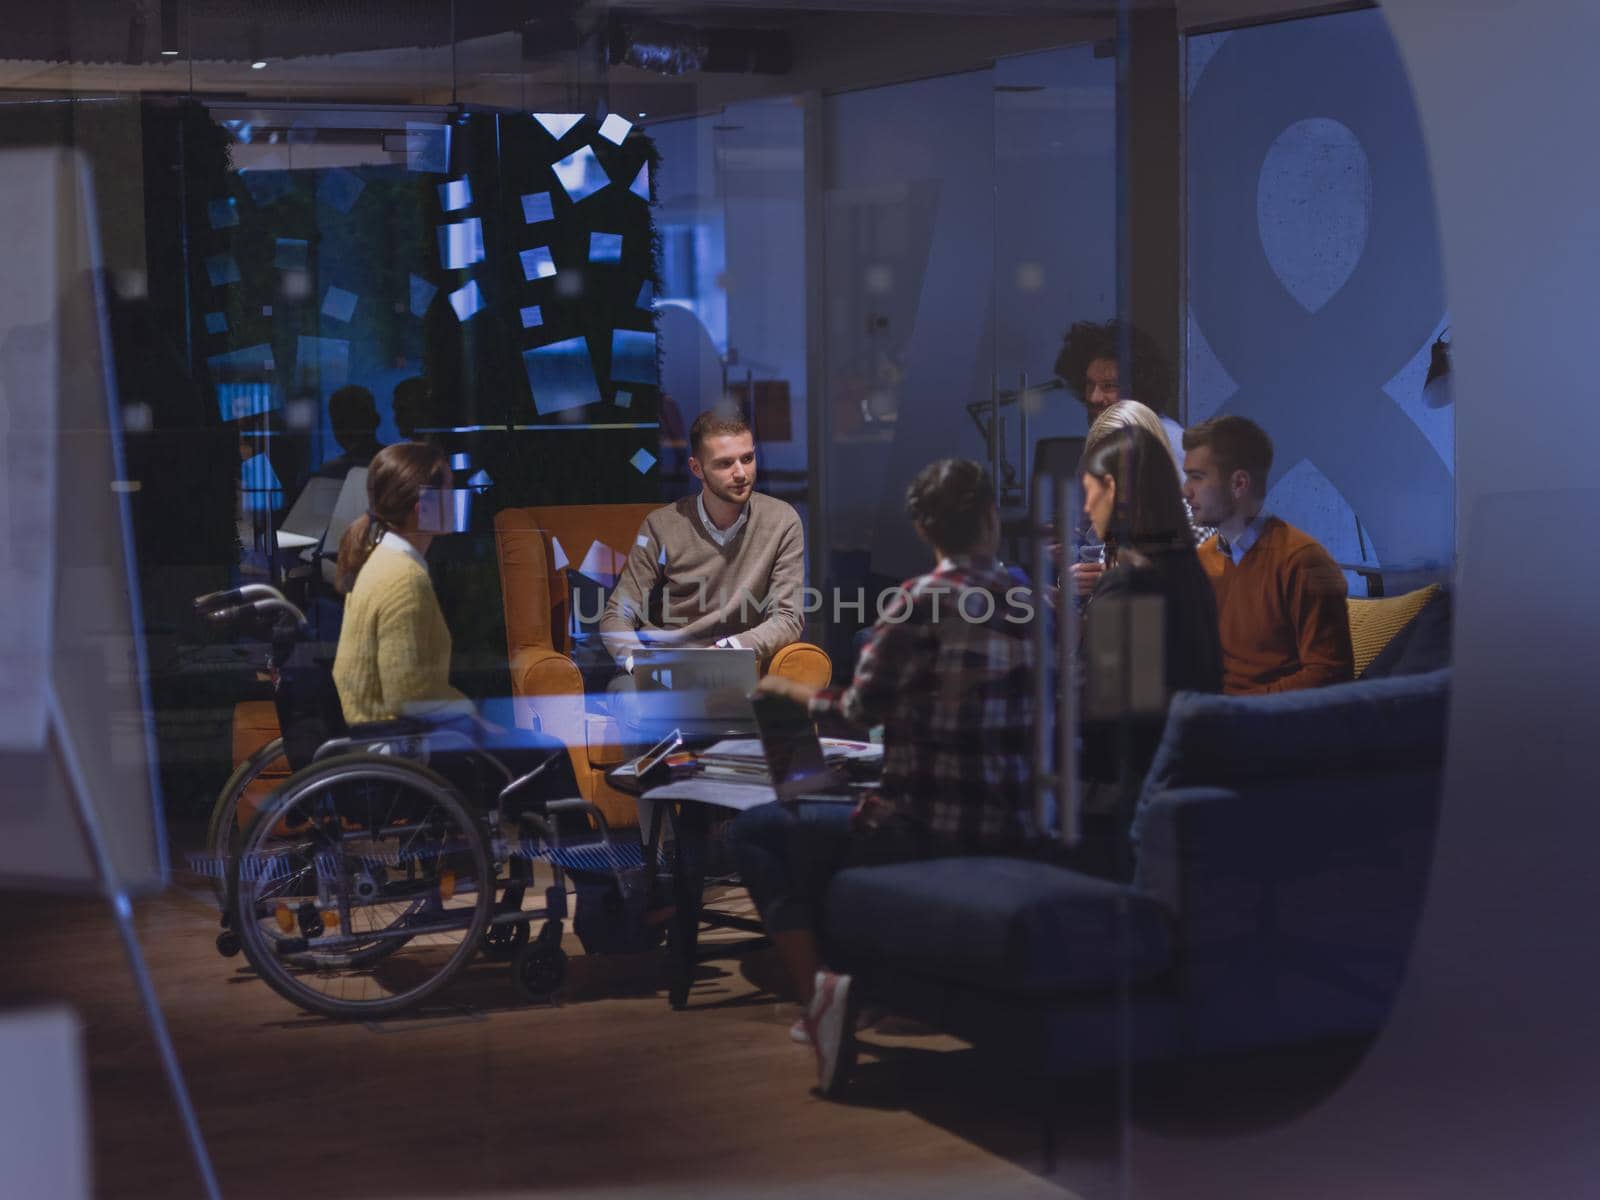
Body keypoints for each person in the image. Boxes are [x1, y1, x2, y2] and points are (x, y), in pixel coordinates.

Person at [728, 458, 1035, 1090]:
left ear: (927, 532)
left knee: (758, 833)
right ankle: (853, 992)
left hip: (921, 830)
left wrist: (792, 696)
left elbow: (858, 711)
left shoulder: (916, 601)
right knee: (820, 822)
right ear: (990, 520)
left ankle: (822, 1002)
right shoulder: (1031, 604)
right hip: (1013, 822)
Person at [331, 443, 579, 810]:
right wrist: (470, 719)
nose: (456, 500)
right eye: (447, 491)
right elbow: (405, 694)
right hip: (403, 750)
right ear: (423, 507)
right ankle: (584, 864)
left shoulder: (383, 562)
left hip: (388, 736)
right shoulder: (401, 576)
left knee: (524, 745)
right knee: (548, 751)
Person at [1077, 427, 1223, 866]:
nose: (1085, 508)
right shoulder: (1188, 571)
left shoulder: (1131, 581)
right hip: (1175, 787)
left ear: (1114, 490)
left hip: (1119, 808)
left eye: (1089, 493)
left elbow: (1106, 721)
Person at [600, 408, 804, 670]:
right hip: (667, 663)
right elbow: (617, 614)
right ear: (696, 468)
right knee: (630, 702)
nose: (741, 473)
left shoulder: (782, 521)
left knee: (777, 706)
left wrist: (727, 650)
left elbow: (788, 618)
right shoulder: (661, 524)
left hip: (736, 663)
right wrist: (640, 665)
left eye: (747, 458)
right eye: (725, 463)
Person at [1181, 415, 1354, 694]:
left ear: (1239, 483)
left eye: (1197, 477)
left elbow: (1329, 674)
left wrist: (1234, 708)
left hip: (1269, 727)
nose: (1185, 490)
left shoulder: (1302, 560)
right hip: (1212, 718)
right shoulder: (1203, 558)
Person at [314, 384, 386, 479]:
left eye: (354, 420)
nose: (347, 431)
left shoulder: (395, 465)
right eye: (340, 423)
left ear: (374, 419)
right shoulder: (330, 471)